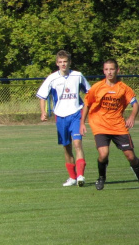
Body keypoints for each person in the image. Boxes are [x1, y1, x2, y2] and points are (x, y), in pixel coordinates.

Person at [80, 59, 139, 190]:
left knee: (130, 156)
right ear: (103, 71)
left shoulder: (123, 88)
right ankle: (101, 178)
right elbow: (87, 104)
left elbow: (135, 104)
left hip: (118, 126)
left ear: (117, 70)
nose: (109, 72)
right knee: (103, 154)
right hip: (100, 125)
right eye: (106, 70)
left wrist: (132, 116)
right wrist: (82, 123)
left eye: (111, 69)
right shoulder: (97, 87)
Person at [36, 50, 91, 187]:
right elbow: (42, 96)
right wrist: (43, 112)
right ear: (57, 63)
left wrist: (88, 108)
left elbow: (89, 93)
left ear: (69, 62)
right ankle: (72, 177)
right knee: (67, 147)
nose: (63, 64)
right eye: (60, 62)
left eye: (65, 62)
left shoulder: (78, 76)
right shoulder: (52, 78)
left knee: (77, 144)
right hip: (60, 116)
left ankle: (80, 176)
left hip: (76, 114)